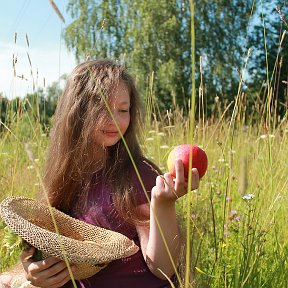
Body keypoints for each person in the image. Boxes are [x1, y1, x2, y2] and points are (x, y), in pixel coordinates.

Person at [1, 59, 199, 288]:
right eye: (103, 107)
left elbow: (163, 269)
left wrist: (163, 204)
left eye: (123, 110)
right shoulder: (67, 175)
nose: (115, 119)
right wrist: (31, 269)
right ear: (77, 112)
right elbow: (42, 242)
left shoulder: (137, 173)